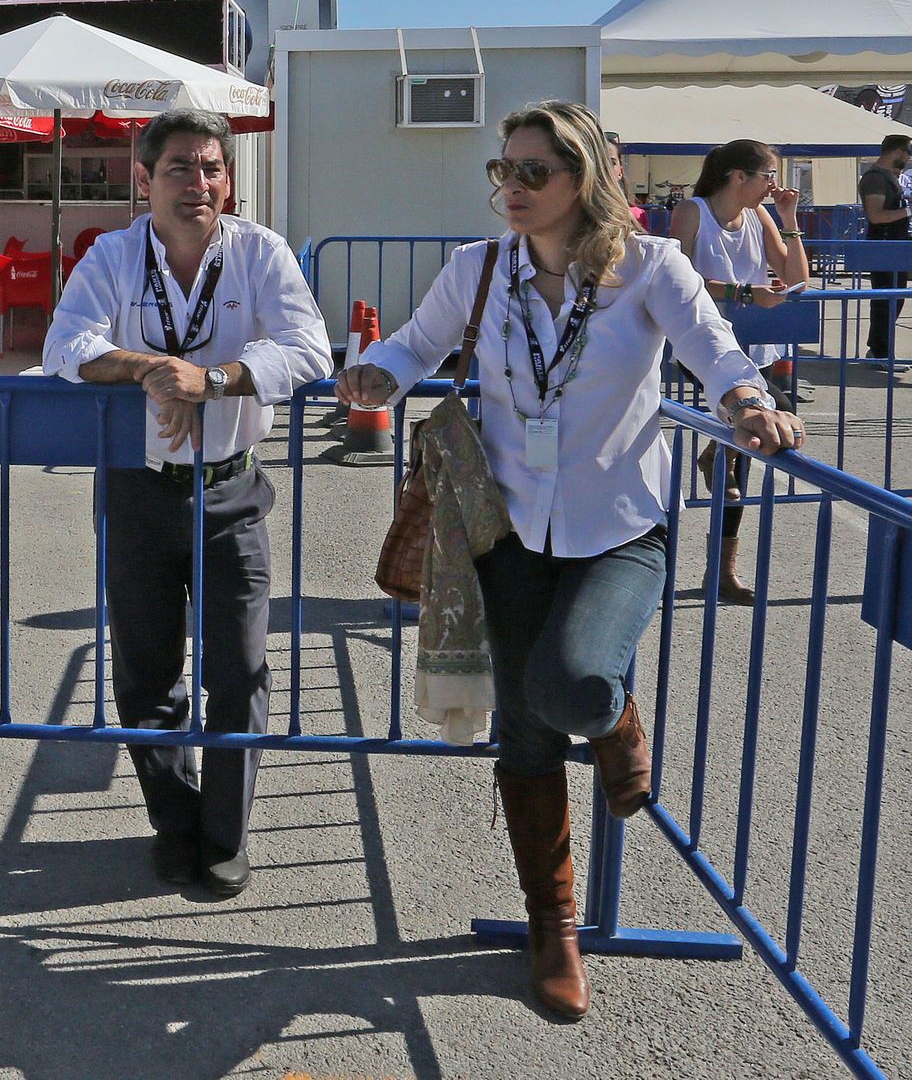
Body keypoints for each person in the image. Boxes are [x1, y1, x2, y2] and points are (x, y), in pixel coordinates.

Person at [337, 101, 803, 1020]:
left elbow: (716, 353)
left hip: (620, 527)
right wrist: (380, 371)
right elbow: (414, 341)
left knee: (577, 682)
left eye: (532, 172)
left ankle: (617, 719)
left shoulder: (652, 269)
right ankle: (555, 926)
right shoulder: (477, 270)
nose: (511, 188)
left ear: (584, 177)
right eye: (503, 170)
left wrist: (748, 402)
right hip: (507, 532)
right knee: (526, 734)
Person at [43, 109, 333, 898]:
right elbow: (64, 346)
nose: (198, 183)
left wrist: (215, 379)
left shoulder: (260, 251)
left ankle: (225, 834)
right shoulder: (111, 254)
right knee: (146, 674)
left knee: (238, 670)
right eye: (179, 167)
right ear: (145, 180)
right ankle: (174, 824)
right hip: (136, 490)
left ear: (227, 178)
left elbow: (310, 347)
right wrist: (149, 368)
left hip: (231, 488)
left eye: (211, 168)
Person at [670, 139, 809, 604]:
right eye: (768, 174)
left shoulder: (760, 215)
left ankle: (723, 571)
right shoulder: (692, 213)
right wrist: (744, 294)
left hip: (757, 349)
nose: (775, 184)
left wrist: (789, 220)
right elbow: (677, 281)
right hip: (705, 347)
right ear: (737, 176)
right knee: (773, 412)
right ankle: (717, 454)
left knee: (746, 449)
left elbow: (794, 277)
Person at [858, 133, 912, 363]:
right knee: (884, 301)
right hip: (883, 249)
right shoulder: (875, 178)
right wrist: (909, 211)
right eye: (908, 153)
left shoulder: (888, 177)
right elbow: (876, 215)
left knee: (894, 300)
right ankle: (879, 352)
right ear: (898, 151)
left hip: (894, 249)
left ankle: (881, 351)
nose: (909, 159)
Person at [603, 132, 648, 230]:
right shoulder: (571, 214)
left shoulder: (638, 215)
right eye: (600, 162)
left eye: (611, 162)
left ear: (620, 171)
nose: (605, 168)